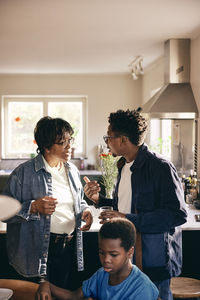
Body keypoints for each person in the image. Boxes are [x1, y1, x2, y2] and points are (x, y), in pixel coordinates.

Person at [84, 109, 187, 300]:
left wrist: (126, 218)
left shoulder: (160, 166)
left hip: (152, 263)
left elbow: (177, 214)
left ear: (123, 140)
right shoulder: (123, 165)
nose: (107, 142)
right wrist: (100, 200)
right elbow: (127, 205)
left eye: (109, 137)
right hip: (128, 263)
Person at [3, 116, 93, 289]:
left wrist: (85, 210)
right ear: (45, 146)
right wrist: (33, 207)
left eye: (70, 141)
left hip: (68, 248)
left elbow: (78, 200)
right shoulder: (23, 173)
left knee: (61, 294)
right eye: (62, 143)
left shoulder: (72, 170)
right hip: (35, 251)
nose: (70, 147)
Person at [36, 217, 159, 300]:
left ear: (130, 252)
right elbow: (73, 296)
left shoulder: (142, 288)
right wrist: (45, 284)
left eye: (113, 254)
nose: (106, 260)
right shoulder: (102, 274)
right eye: (102, 253)